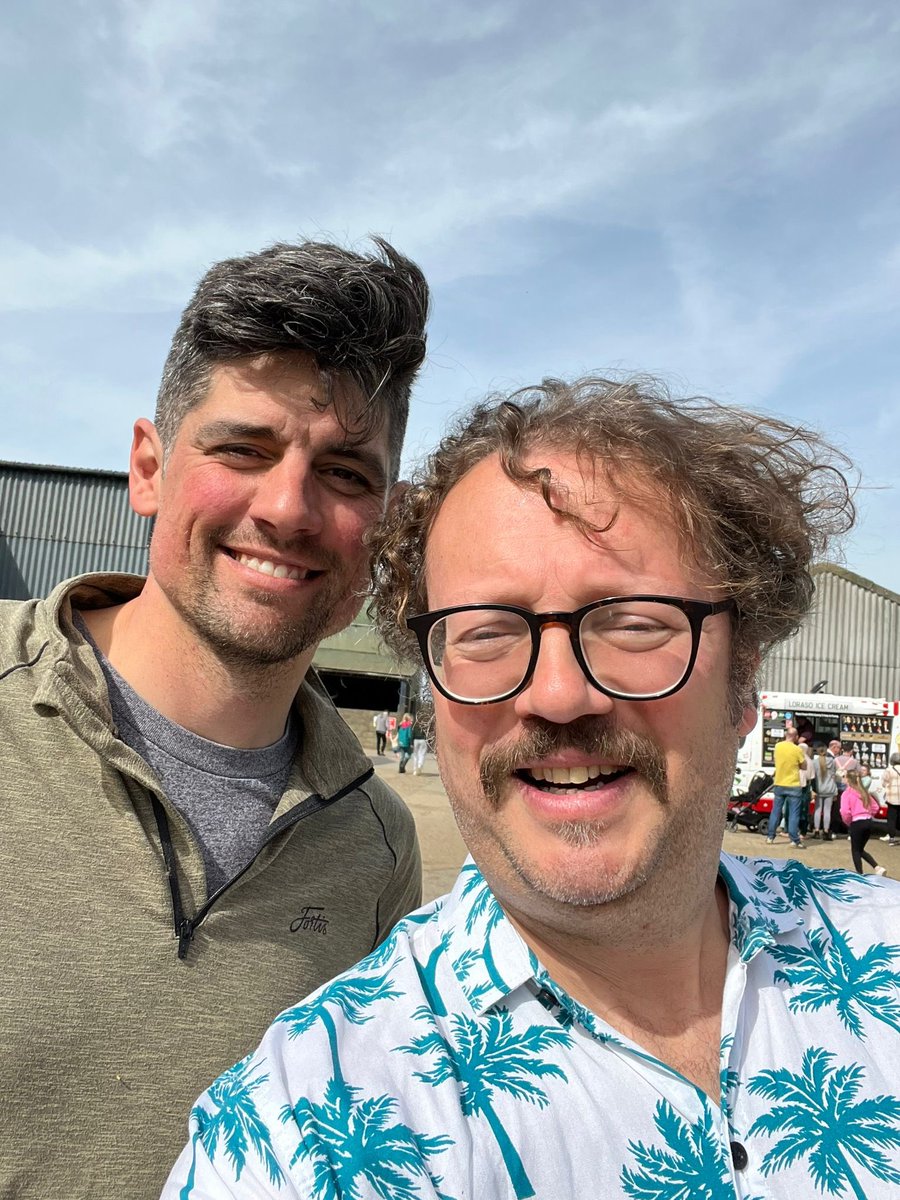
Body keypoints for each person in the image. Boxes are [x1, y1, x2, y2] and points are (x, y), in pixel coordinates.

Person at [164, 376, 900, 1199]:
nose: (555, 695)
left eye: (632, 622)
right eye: (486, 632)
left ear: (743, 680)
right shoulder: (299, 1135)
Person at [0, 237, 430, 1198]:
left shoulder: (377, 844)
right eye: (243, 448)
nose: (288, 509)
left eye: (347, 473)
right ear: (148, 467)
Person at [766, 727, 807, 848]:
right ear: (796, 737)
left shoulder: (778, 747)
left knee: (776, 810)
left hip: (779, 782)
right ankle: (794, 839)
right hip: (793, 784)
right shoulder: (797, 749)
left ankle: (770, 836)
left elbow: (776, 761)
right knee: (794, 813)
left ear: (785, 735)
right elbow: (804, 766)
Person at [840, 769, 887, 876]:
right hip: (868, 822)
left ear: (848, 780)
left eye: (844, 777)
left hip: (857, 822)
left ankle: (859, 874)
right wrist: (869, 814)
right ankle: (877, 867)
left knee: (855, 850)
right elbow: (875, 807)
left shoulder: (846, 794)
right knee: (860, 849)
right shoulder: (864, 792)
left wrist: (848, 822)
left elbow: (844, 811)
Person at [809, 741, 838, 839]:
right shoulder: (832, 762)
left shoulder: (815, 762)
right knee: (827, 811)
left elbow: (813, 776)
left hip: (819, 789)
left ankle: (816, 830)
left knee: (817, 810)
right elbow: (834, 776)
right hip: (829, 788)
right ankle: (826, 831)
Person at [880, 751, 900, 845]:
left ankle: (891, 838)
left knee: (891, 818)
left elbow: (883, 783)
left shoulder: (889, 770)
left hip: (892, 797)